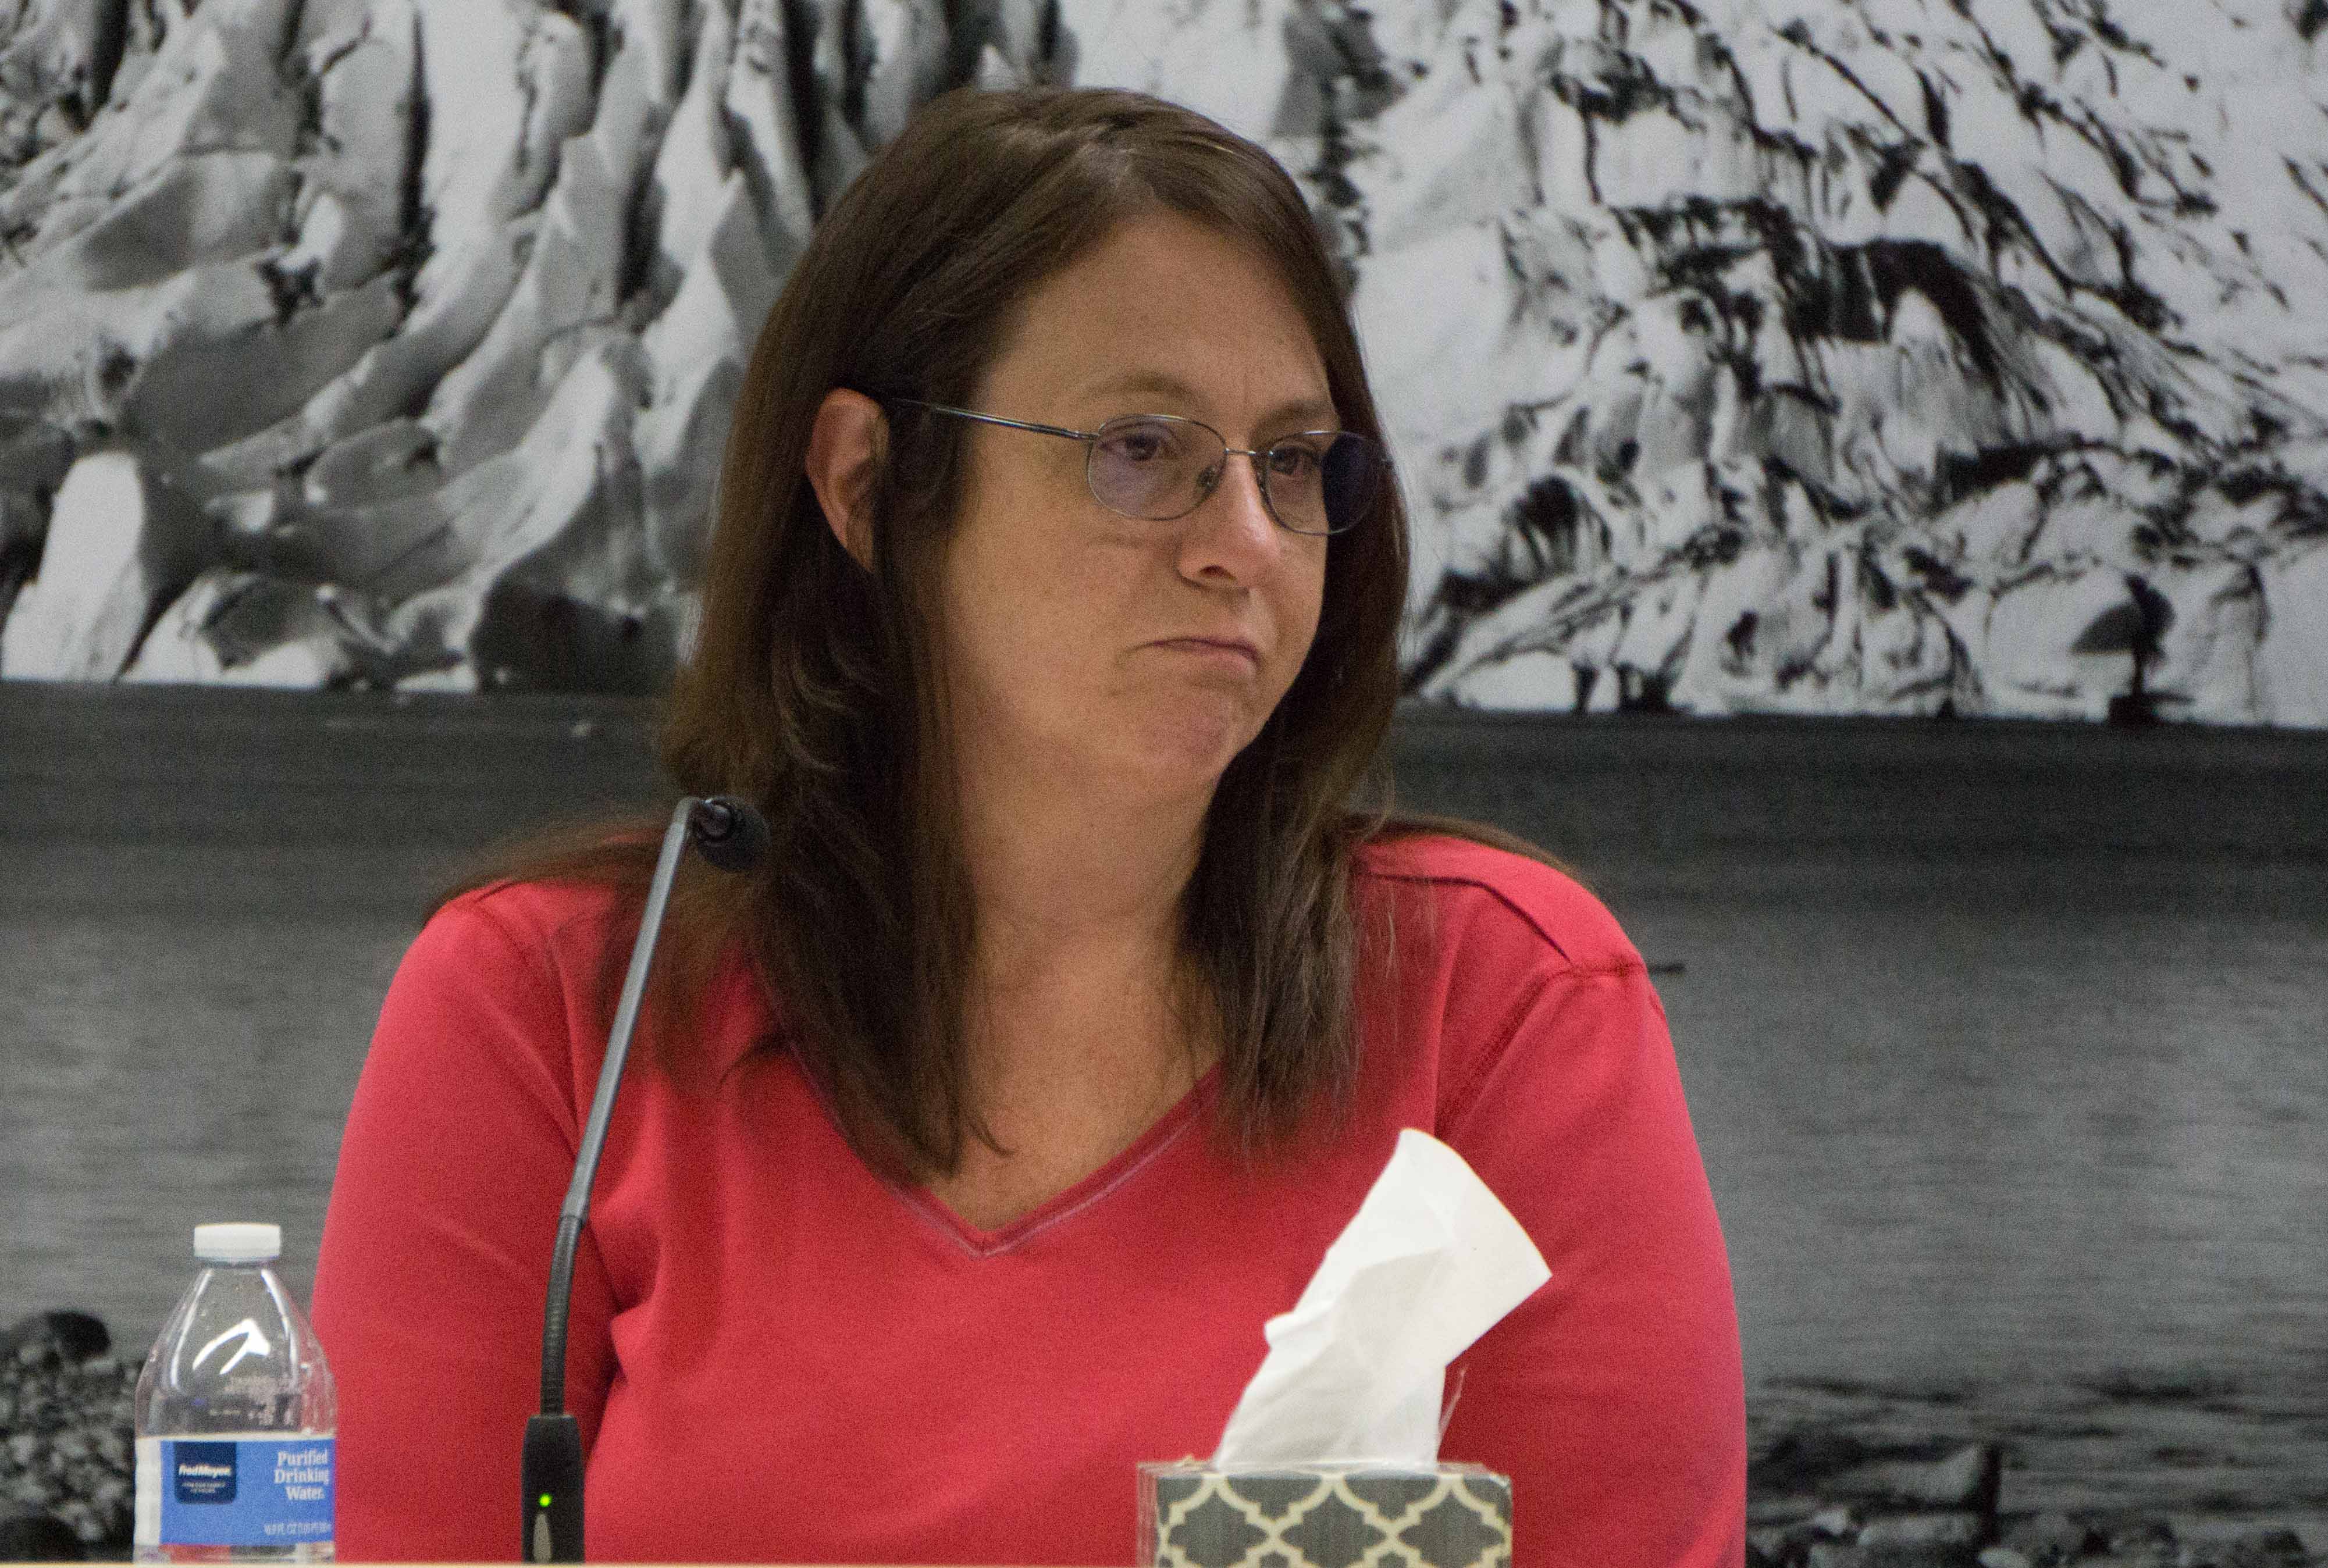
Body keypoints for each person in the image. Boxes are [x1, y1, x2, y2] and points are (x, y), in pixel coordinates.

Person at [311, 86, 1745, 1566]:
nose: (1246, 544)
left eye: (1293, 462)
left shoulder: (1504, 1005)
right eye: (1141, 449)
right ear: (869, 486)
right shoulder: (550, 1014)